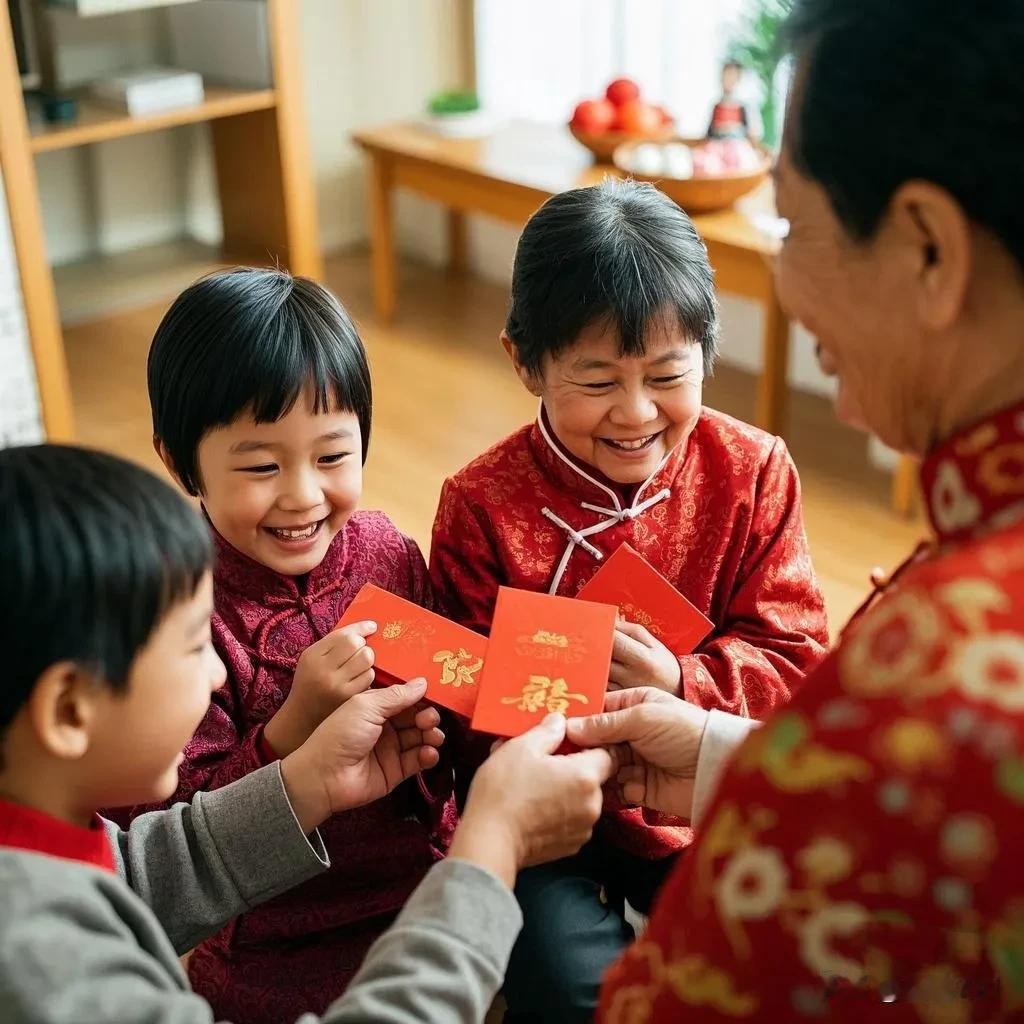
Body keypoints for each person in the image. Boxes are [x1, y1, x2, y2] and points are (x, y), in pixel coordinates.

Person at [0, 444, 614, 1024]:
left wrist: (301, 785)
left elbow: (129, 874)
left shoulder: (37, 842)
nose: (215, 671)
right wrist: (490, 848)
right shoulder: (41, 964)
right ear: (69, 711)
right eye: (193, 647)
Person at [430, 178, 828, 1021]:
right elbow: (459, 708)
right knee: (574, 990)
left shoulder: (752, 473)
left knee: (784, 954)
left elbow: (798, 663)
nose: (637, 413)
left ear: (708, 355)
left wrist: (686, 684)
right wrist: (533, 703)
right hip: (545, 825)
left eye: (667, 375)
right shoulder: (479, 503)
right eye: (598, 380)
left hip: (701, 803)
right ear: (524, 362)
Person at [111, 267, 460, 1023]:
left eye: (333, 457)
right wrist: (291, 727)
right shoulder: (176, 614)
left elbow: (450, 713)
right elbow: (170, 828)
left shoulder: (386, 551)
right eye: (262, 467)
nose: (303, 495)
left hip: (423, 881)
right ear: (180, 463)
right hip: (277, 939)